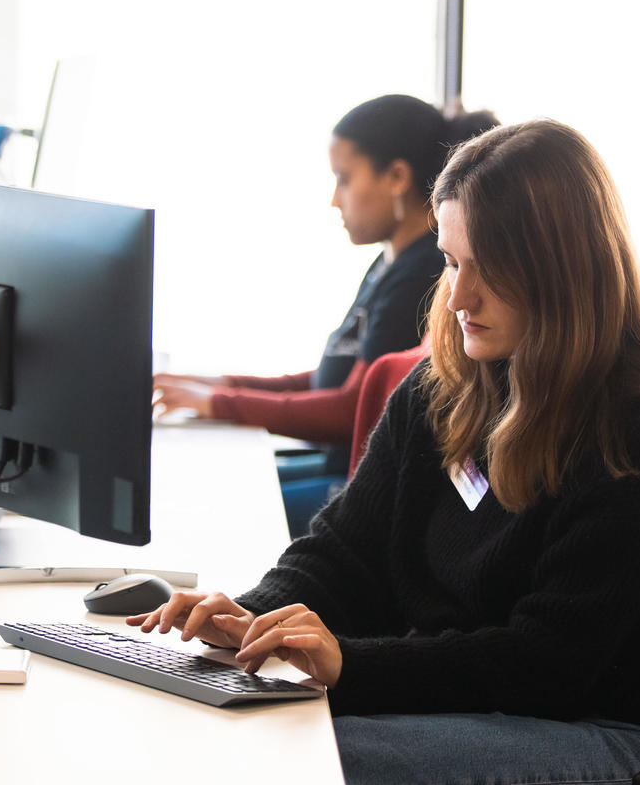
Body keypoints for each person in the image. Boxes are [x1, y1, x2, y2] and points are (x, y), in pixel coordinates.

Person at [131, 119, 640, 785]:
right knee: (260, 736)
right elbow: (344, 553)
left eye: (488, 269)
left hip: (632, 745)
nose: (459, 298)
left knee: (298, 772)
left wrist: (349, 666)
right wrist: (250, 623)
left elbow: (549, 663)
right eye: (452, 263)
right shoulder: (447, 389)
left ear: (562, 270)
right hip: (495, 710)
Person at [153, 95, 498, 535]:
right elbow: (329, 378)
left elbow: (351, 409)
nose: (335, 200)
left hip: (354, 478)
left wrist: (220, 403)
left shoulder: (420, 278)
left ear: (396, 177)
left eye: (344, 179)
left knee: (212, 501)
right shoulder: (388, 264)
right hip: (335, 463)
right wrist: (221, 385)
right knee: (207, 481)